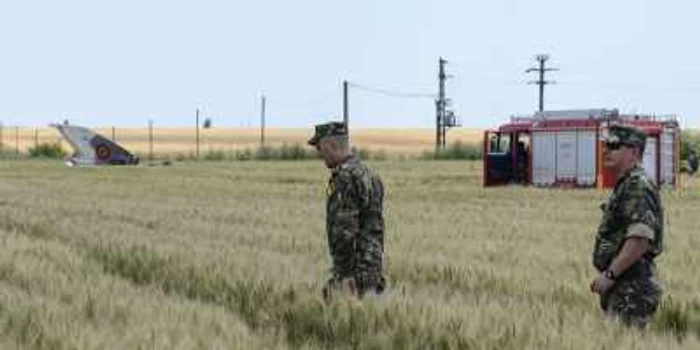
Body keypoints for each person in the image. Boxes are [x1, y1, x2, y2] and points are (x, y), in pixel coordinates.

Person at [590, 124, 664, 329]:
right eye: (606, 144)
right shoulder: (626, 184)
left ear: (633, 152)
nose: (605, 150)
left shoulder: (638, 185)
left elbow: (640, 239)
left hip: (632, 288)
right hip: (624, 285)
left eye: (614, 145)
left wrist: (610, 274)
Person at [307, 121, 387, 301]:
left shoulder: (344, 178)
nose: (319, 153)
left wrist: (344, 276)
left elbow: (344, 232)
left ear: (331, 145)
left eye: (320, 147)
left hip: (353, 274)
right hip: (373, 267)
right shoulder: (371, 175)